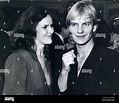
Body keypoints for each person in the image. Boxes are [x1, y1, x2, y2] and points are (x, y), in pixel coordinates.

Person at [52, 1, 119, 95]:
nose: (80, 30)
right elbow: (58, 93)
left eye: (86, 24)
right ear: (69, 28)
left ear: (94, 27)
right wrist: (64, 72)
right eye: (74, 24)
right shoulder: (63, 57)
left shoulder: (112, 59)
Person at [2, 4, 54, 95]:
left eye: (51, 26)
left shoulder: (45, 57)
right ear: (32, 28)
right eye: (45, 27)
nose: (51, 31)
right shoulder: (18, 58)